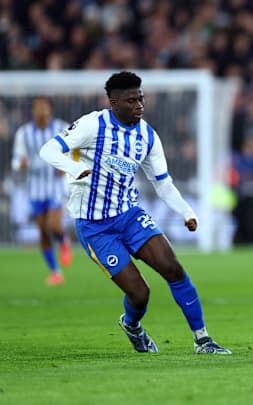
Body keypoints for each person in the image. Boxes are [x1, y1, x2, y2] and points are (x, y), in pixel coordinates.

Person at [39, 71, 230, 355]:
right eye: (131, 100)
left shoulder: (147, 136)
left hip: (129, 215)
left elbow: (163, 184)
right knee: (140, 294)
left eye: (141, 98)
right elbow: (49, 150)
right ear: (113, 103)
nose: (139, 105)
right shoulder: (93, 125)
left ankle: (203, 340)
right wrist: (74, 168)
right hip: (95, 227)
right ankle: (132, 325)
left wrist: (187, 212)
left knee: (173, 268)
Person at [11, 96, 73, 285]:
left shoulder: (62, 129)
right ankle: (55, 272)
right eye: (37, 108)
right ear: (32, 111)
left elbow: (76, 152)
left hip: (56, 187)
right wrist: (19, 164)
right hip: (35, 189)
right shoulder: (24, 133)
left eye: (44, 107)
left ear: (50, 110)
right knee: (43, 231)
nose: (40, 111)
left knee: (53, 225)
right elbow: (15, 160)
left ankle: (63, 240)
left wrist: (66, 165)